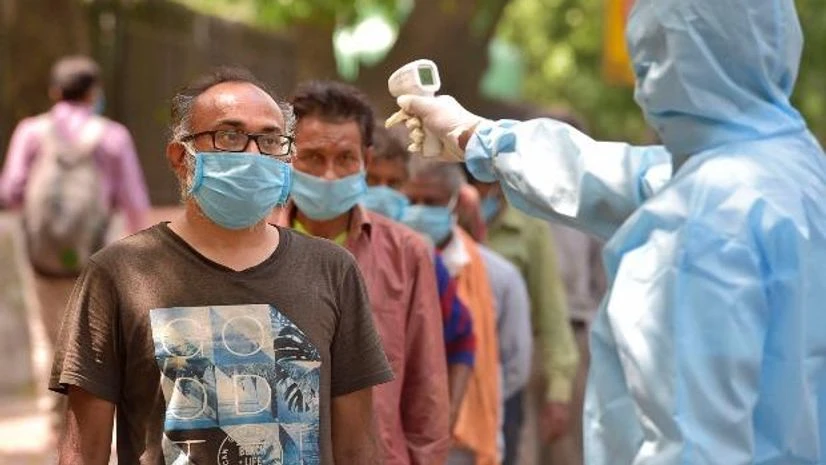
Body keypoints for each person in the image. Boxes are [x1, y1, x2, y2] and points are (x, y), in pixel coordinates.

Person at [389, 0, 826, 463]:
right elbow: (621, 175)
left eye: (648, 59)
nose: (642, 88)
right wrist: (476, 136)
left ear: (669, 61)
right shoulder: (794, 169)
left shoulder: (703, 226)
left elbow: (693, 446)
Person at [49, 67, 393, 465]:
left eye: (269, 140)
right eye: (229, 136)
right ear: (181, 157)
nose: (252, 154)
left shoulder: (332, 270)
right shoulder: (117, 274)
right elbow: (82, 451)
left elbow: (357, 446)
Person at [274, 80, 450, 465]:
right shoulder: (257, 244)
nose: (330, 175)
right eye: (314, 158)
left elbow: (427, 389)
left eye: (345, 159)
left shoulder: (408, 254)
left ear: (366, 161)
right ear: (286, 156)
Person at [0, 55, 150, 349]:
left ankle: (51, 390)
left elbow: (10, 190)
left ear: (54, 92)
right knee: (92, 333)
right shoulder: (113, 136)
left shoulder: (31, 131)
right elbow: (133, 201)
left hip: (41, 252)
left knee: (47, 332)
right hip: (96, 250)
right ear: (94, 93)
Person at [366, 124, 476, 428]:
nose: (382, 195)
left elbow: (463, 338)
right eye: (372, 181)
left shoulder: (419, 256)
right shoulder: (301, 244)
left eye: (393, 184)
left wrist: (445, 420)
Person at [469, 174, 578, 465]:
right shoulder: (443, 222)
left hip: (505, 381)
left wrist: (559, 391)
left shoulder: (528, 229)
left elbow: (551, 311)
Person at [400, 160, 502, 465]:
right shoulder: (392, 254)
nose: (418, 210)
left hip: (453, 436)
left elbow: (472, 344)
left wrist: (449, 414)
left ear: (455, 203)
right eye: (410, 200)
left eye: (431, 202)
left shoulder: (490, 271)